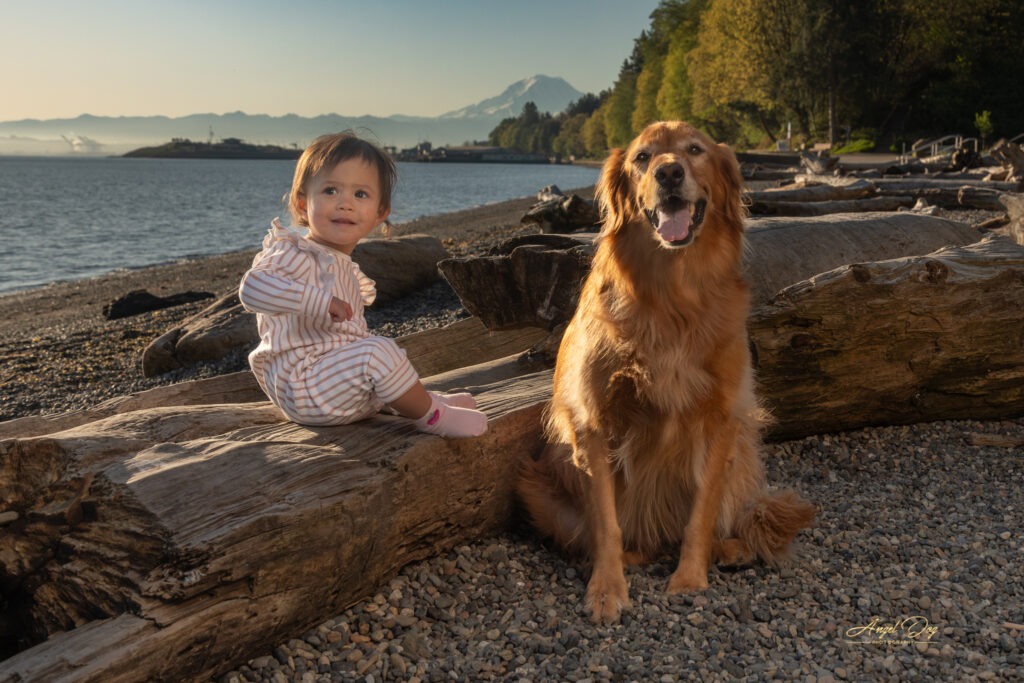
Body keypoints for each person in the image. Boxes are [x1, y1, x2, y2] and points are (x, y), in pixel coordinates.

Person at [239, 131, 487, 437]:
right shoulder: (293, 252)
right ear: (303, 204)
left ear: (380, 213)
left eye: (360, 195)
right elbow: (252, 289)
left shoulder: (343, 267)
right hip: (303, 386)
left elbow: (348, 339)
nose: (345, 203)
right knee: (376, 352)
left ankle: (418, 401)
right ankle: (432, 417)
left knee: (377, 351)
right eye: (330, 190)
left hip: (330, 382)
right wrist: (317, 301)